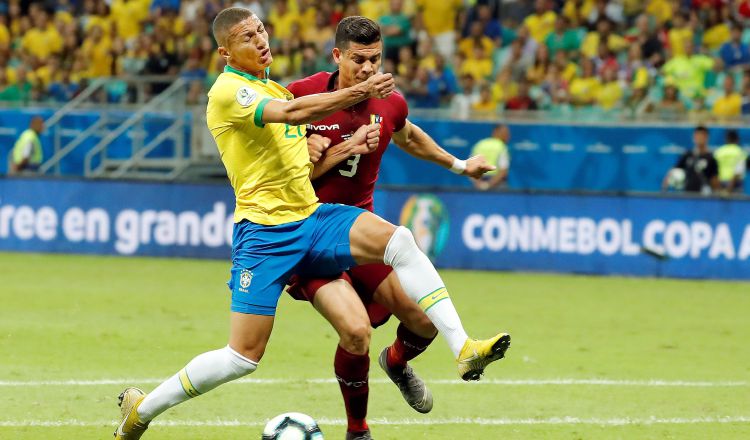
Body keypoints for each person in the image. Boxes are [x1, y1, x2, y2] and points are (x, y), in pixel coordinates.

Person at [114, 8, 510, 439]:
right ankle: (142, 411)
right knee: (242, 356)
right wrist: (355, 98)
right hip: (266, 235)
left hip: (313, 217)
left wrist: (328, 150)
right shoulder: (230, 92)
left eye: (261, 29)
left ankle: (464, 349)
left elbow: (299, 160)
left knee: (401, 240)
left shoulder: (273, 86)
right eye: (247, 36)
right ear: (226, 51)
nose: (261, 39)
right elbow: (294, 113)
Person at [285, 16, 503, 440]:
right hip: (309, 234)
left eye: (375, 60)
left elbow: (408, 136)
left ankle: (398, 363)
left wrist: (460, 165)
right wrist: (321, 152)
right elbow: (286, 181)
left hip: (360, 236)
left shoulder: (390, 102)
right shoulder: (302, 97)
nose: (368, 69)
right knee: (355, 332)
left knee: (423, 320)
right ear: (337, 56)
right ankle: (358, 431)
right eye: (358, 60)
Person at [662, 125, 719, 194]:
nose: (699, 138)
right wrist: (665, 186)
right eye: (697, 135)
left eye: (702, 135)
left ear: (707, 137)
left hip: (704, 197)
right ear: (694, 137)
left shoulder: (711, 158)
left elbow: (714, 180)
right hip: (688, 196)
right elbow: (673, 170)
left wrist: (716, 194)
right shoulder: (687, 155)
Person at [469, 124, 510, 191]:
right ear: (496, 132)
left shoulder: (480, 144)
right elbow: (503, 171)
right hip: (497, 185)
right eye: (505, 133)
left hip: (479, 182)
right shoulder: (502, 147)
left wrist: (479, 184)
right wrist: (488, 185)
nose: (508, 136)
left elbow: (470, 167)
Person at [713, 129, 746, 194]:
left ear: (726, 139)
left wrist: (719, 188)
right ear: (737, 140)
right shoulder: (740, 152)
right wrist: (729, 188)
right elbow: (738, 172)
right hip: (735, 185)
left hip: (720, 184)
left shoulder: (718, 152)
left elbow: (714, 171)